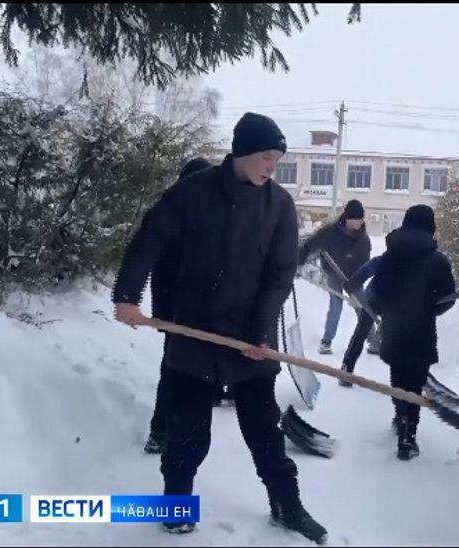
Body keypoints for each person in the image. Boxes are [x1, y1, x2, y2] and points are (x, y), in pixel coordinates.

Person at [111, 112, 327, 542]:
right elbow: (150, 237)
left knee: (265, 434)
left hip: (251, 340)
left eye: (277, 159)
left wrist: (259, 334)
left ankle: (288, 506)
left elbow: (280, 275)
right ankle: (177, 507)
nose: (271, 167)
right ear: (243, 152)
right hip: (194, 333)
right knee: (186, 435)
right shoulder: (193, 192)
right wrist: (127, 296)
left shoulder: (279, 206)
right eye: (266, 157)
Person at [370, 205, 456, 461]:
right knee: (415, 383)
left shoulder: (390, 256)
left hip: (394, 329)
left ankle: (401, 416)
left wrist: (390, 310)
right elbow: (447, 298)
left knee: (398, 377)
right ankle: (408, 435)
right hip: (421, 331)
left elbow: (378, 291)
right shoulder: (438, 261)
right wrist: (429, 309)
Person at [144, 157, 213, 455]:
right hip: (182, 311)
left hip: (193, 311)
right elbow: (159, 270)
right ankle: (162, 431)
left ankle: (169, 430)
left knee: (179, 369)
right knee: (174, 370)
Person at [297, 199, 371, 355]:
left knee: (362, 307)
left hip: (354, 278)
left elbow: (365, 265)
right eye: (355, 220)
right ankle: (326, 341)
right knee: (336, 305)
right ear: (347, 218)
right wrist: (300, 258)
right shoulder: (330, 232)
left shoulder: (363, 240)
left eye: (360, 220)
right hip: (333, 273)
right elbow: (311, 244)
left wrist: (355, 282)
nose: (358, 224)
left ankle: (374, 340)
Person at [338, 254, 383, 387]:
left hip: (395, 305)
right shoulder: (388, 258)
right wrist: (354, 281)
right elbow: (368, 268)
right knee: (361, 333)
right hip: (373, 301)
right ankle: (347, 368)